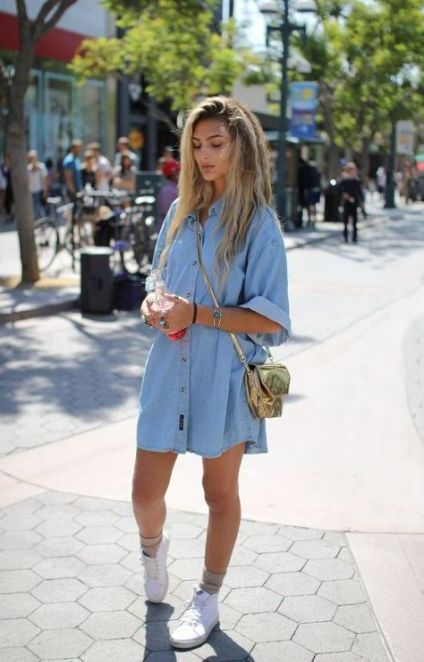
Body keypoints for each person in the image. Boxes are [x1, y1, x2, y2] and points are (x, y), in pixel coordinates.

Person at [134, 96, 291, 650]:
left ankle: (208, 596)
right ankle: (154, 552)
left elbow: (271, 322)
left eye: (216, 144)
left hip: (225, 376)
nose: (204, 155)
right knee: (143, 491)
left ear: (241, 147)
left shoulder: (259, 226)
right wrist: (154, 307)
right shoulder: (180, 213)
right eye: (197, 145)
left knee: (218, 492)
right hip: (167, 370)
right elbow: (155, 282)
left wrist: (198, 313)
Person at [339, 162, 364, 243]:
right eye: (352, 170)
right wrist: (347, 197)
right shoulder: (344, 180)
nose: (354, 172)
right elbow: (341, 191)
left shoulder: (356, 181)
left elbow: (359, 192)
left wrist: (361, 201)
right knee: (345, 221)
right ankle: (345, 237)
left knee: (355, 221)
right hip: (346, 203)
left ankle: (354, 237)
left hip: (355, 202)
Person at [157, 159, 180, 229]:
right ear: (171, 173)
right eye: (177, 171)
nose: (180, 172)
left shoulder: (179, 187)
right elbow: (169, 214)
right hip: (169, 230)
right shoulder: (166, 191)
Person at [27, 150, 48, 219]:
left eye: (34, 157)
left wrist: (45, 191)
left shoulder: (41, 167)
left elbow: (45, 180)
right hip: (31, 191)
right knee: (33, 208)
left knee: (39, 207)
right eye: (31, 158)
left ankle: (43, 221)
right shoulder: (28, 168)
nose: (32, 159)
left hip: (40, 190)